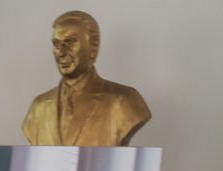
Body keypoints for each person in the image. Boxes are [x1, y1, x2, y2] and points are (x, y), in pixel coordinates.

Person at [22, 10, 151, 147]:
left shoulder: (124, 101)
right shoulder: (38, 107)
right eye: (56, 43)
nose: (61, 52)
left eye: (70, 42)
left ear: (93, 46)